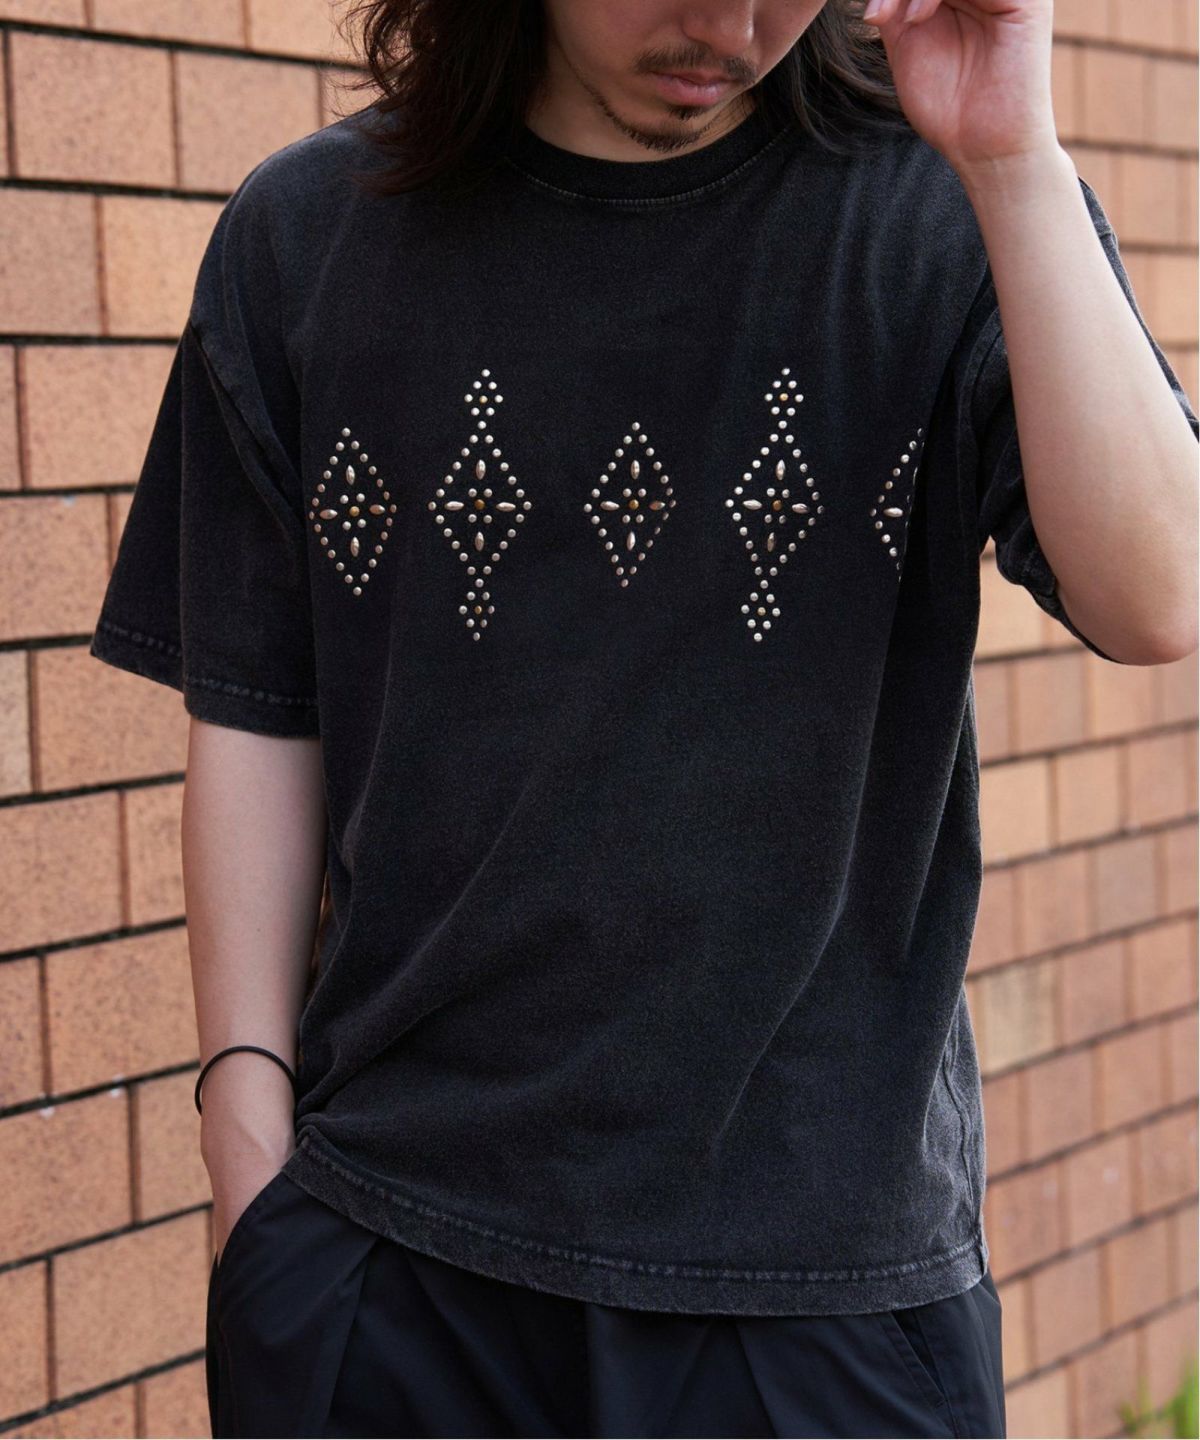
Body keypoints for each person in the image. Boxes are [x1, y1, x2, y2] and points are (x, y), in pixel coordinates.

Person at [88, 0, 1199, 1434]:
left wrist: (1014, 158)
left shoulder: (947, 213)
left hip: (821, 1304)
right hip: (392, 1265)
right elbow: (257, 710)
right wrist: (250, 1161)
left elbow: (1161, 598)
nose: (727, 24)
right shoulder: (310, 237)